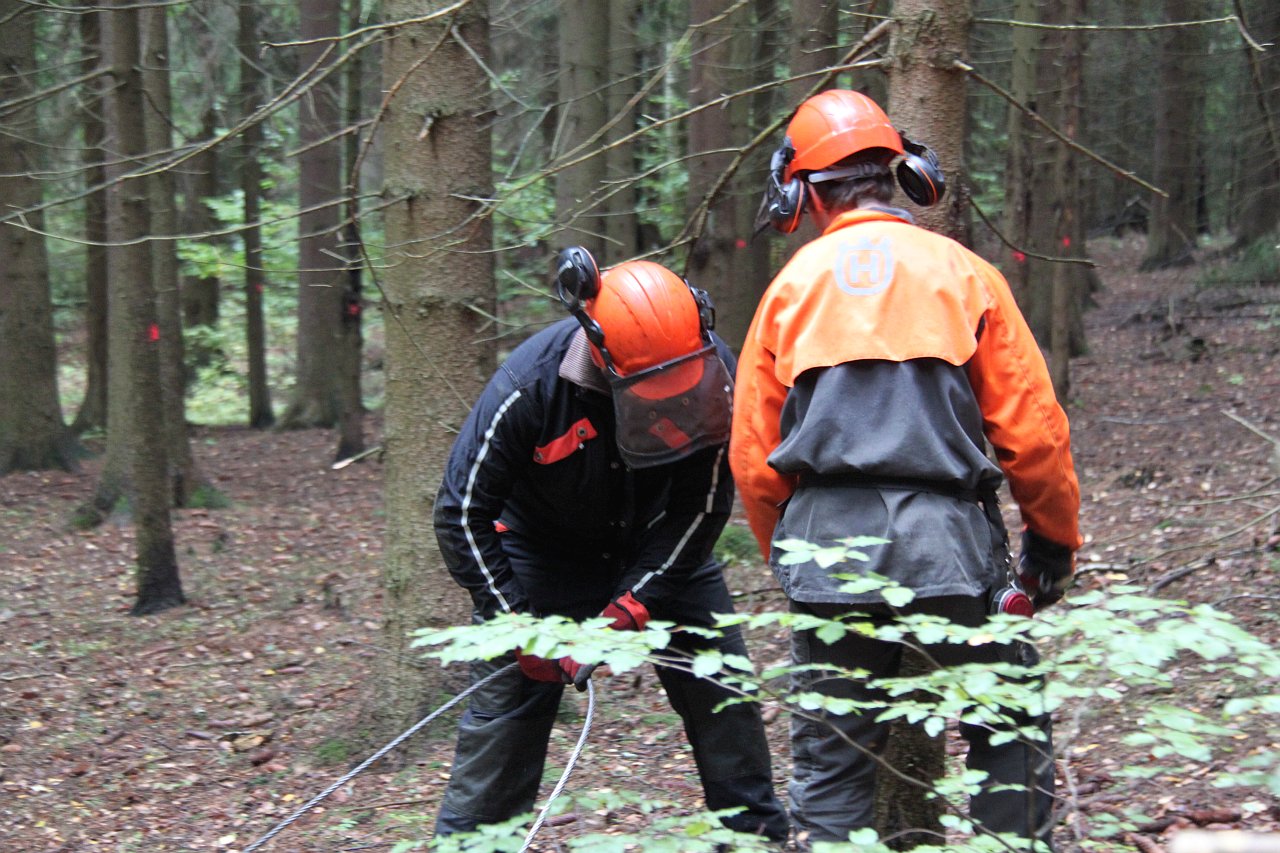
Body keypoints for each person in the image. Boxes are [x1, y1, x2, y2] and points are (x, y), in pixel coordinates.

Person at [730, 89, 1082, 850]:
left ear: (803, 192)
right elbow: (1034, 431)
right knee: (1007, 726)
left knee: (833, 759)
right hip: (949, 543)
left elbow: (754, 459)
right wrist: (1052, 545)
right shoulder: (963, 273)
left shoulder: (790, 289)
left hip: (827, 551)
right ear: (901, 175)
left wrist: (789, 557)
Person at [431, 247, 790, 844]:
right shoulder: (531, 386)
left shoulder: (714, 372)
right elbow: (461, 512)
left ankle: (754, 836)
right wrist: (518, 625)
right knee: (505, 720)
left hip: (661, 542)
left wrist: (637, 601)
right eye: (652, 388)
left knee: (724, 692)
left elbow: (702, 506)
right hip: (541, 552)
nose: (668, 396)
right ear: (601, 353)